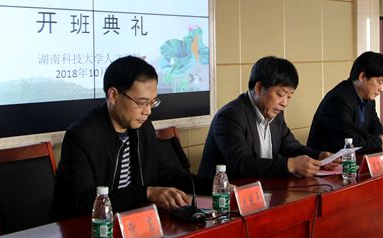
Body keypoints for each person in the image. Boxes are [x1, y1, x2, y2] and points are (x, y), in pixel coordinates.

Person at [52, 55, 211, 221]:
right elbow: (83, 201)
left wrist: (213, 186)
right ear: (113, 95)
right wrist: (146, 193)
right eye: (141, 102)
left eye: (152, 102)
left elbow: (168, 173)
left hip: (133, 222)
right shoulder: (81, 136)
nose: (148, 111)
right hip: (90, 228)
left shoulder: (143, 128)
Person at [198, 56, 333, 180]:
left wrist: (319, 156)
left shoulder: (275, 113)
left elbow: (291, 147)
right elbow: (241, 164)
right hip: (223, 194)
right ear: (259, 88)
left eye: (289, 96)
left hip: (263, 188)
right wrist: (289, 165)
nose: (285, 103)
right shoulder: (230, 116)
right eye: (280, 94)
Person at [307, 51, 383, 154]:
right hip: (327, 161)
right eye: (380, 82)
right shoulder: (338, 100)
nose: (381, 89)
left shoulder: (368, 99)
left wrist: (379, 140)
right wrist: (379, 142)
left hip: (352, 159)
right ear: (362, 77)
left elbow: (377, 130)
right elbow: (349, 143)